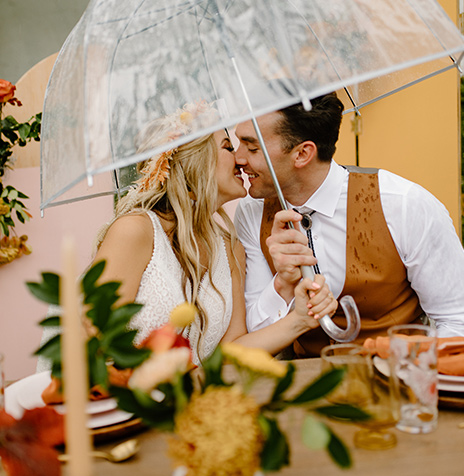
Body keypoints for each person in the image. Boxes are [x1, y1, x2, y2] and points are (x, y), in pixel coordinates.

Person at [38, 106, 337, 369]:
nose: (241, 159)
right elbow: (88, 345)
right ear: (197, 163)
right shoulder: (135, 232)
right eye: (228, 147)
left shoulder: (229, 244)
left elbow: (231, 350)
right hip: (123, 408)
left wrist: (298, 319)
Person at [233, 92, 464, 356]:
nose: (238, 158)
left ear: (303, 153)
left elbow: (461, 322)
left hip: (395, 382)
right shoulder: (251, 213)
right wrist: (283, 284)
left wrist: (408, 374)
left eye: (252, 147)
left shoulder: (404, 204)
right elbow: (255, 333)